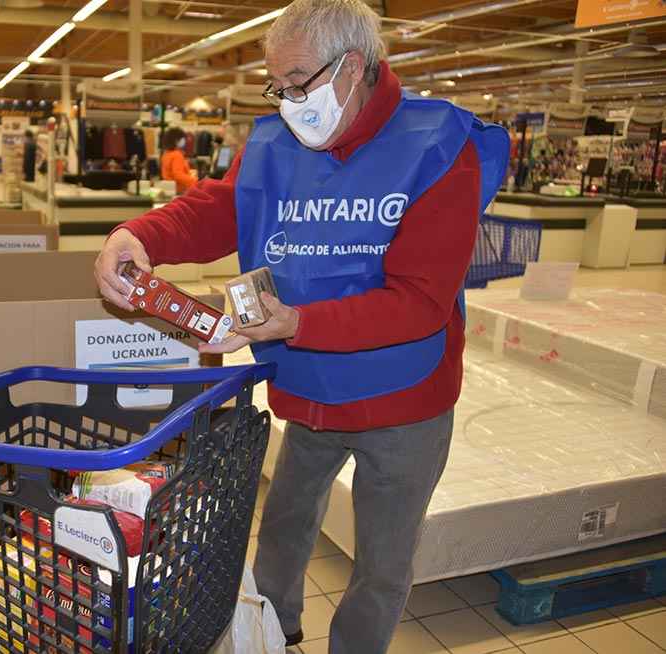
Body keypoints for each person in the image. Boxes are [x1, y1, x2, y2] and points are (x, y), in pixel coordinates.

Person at [93, 1, 509, 652]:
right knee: (283, 528)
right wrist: (139, 234)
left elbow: (419, 301)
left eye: (298, 84)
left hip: (404, 400)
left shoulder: (437, 146)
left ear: (352, 67)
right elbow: (220, 208)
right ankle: (273, 632)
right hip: (309, 388)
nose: (287, 102)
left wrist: (295, 319)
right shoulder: (277, 143)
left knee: (382, 562)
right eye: (276, 88)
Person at [160, 127, 198, 194]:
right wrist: (195, 181)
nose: (184, 141)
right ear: (176, 140)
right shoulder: (177, 155)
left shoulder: (166, 154)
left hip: (169, 189)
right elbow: (178, 175)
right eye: (182, 139)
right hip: (179, 190)